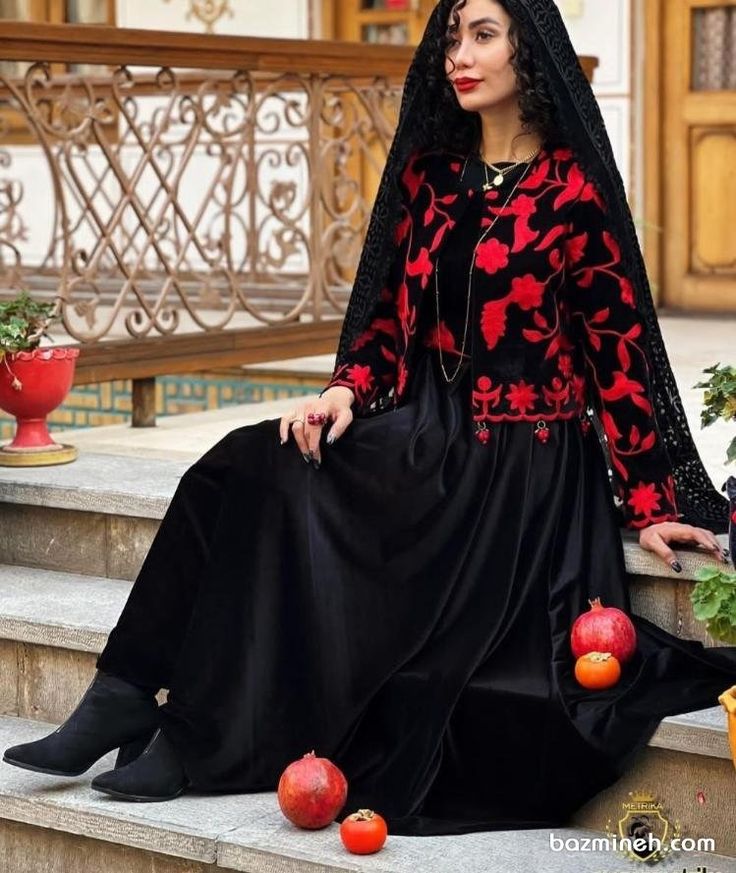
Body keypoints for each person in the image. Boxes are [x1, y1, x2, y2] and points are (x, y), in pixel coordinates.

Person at [3, 0, 735, 838]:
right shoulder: (430, 178)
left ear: (530, 54)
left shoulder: (574, 192)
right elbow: (386, 323)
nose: (459, 56)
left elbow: (618, 354)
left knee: (296, 515)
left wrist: (649, 499)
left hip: (520, 470)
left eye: (483, 36)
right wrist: (347, 389)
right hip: (427, 436)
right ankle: (123, 692)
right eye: (452, 38)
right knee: (241, 462)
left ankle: (195, 739)